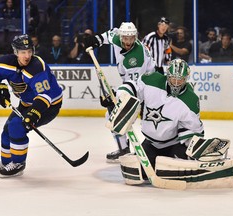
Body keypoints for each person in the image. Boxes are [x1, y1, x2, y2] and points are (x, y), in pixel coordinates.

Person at [107, 59, 204, 183]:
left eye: (180, 79)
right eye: (173, 78)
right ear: (167, 76)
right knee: (140, 173)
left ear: (186, 79)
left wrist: (193, 152)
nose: (175, 83)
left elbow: (193, 131)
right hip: (151, 143)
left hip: (174, 145)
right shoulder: (150, 80)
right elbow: (131, 87)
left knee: (181, 173)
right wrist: (118, 96)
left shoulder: (190, 100)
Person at [0, 34, 63, 177]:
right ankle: (7, 162)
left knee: (16, 126)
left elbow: (45, 95)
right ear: (15, 52)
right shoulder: (6, 63)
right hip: (26, 103)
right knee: (7, 129)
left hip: (48, 106)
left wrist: (34, 114)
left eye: (29, 51)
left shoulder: (37, 66)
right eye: (23, 52)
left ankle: (18, 163)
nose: (27, 56)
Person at [83, 22, 156, 162]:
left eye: (131, 38)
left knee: (148, 122)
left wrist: (115, 97)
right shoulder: (117, 37)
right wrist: (96, 40)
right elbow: (109, 34)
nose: (128, 41)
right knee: (112, 113)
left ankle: (156, 148)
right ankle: (123, 149)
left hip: (148, 86)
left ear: (135, 37)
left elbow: (135, 87)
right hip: (132, 84)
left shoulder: (136, 58)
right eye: (125, 38)